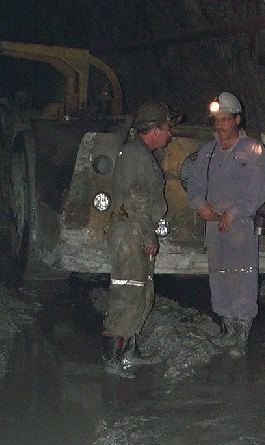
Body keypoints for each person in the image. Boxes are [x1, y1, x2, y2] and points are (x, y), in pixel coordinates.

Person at [186, 92, 265, 358]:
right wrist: (200, 204)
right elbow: (195, 184)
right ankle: (227, 328)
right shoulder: (208, 152)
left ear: (237, 119)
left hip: (240, 225)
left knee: (242, 274)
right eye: (217, 120)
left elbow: (259, 188)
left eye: (225, 120)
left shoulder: (252, 149)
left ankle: (242, 334)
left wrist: (233, 213)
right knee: (219, 273)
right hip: (213, 222)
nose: (220, 126)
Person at [102, 101, 174, 373]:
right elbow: (136, 199)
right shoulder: (135, 154)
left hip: (136, 231)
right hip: (131, 232)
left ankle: (130, 353)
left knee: (140, 294)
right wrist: (148, 236)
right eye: (167, 128)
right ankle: (112, 360)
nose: (169, 134)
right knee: (127, 294)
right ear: (154, 130)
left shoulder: (142, 154)